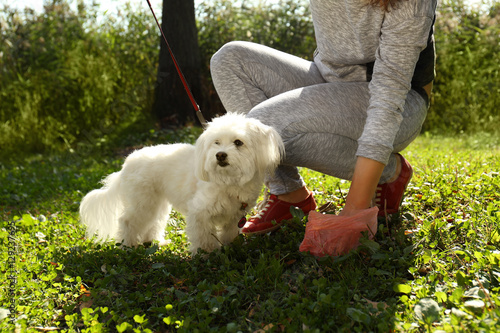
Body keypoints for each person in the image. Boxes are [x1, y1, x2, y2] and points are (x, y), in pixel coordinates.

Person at [210, 0, 437, 235]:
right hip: (327, 79)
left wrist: (354, 212)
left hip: (398, 99)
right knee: (229, 60)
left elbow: (388, 97)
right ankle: (288, 193)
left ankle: (390, 172)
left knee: (260, 128)